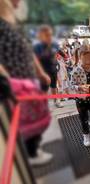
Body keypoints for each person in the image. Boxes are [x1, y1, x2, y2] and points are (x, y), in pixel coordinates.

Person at [0, 0, 52, 165]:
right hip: (16, 85)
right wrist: (9, 82)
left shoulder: (13, 19)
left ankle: (33, 148)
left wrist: (40, 72)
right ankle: (31, 153)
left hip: (29, 81)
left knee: (36, 116)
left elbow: (27, 50)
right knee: (25, 121)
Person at [34, 25, 63, 108]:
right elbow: (37, 59)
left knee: (54, 86)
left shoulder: (54, 44)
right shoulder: (38, 46)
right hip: (43, 71)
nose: (49, 37)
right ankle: (43, 105)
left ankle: (56, 101)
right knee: (44, 89)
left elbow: (59, 51)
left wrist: (66, 57)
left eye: (50, 34)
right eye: (46, 35)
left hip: (53, 69)